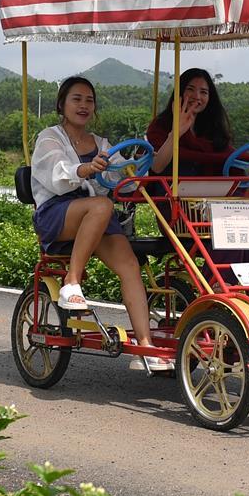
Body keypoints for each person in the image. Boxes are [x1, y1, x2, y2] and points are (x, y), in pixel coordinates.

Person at [30, 76, 172, 371]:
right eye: (76, 99)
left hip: (99, 216)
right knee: (102, 205)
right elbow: (56, 174)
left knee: (130, 265)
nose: (84, 106)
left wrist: (136, 171)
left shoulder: (104, 144)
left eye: (89, 101)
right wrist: (85, 168)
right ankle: (72, 281)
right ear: (62, 105)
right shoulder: (49, 138)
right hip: (57, 212)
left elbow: (124, 180)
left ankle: (144, 346)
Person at [146, 68, 249, 328]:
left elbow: (233, 159)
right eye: (190, 90)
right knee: (232, 236)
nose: (197, 97)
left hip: (214, 211)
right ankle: (213, 307)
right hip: (178, 211)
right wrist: (177, 132)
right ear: (178, 94)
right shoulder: (161, 127)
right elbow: (157, 166)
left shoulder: (214, 132)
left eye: (203, 92)